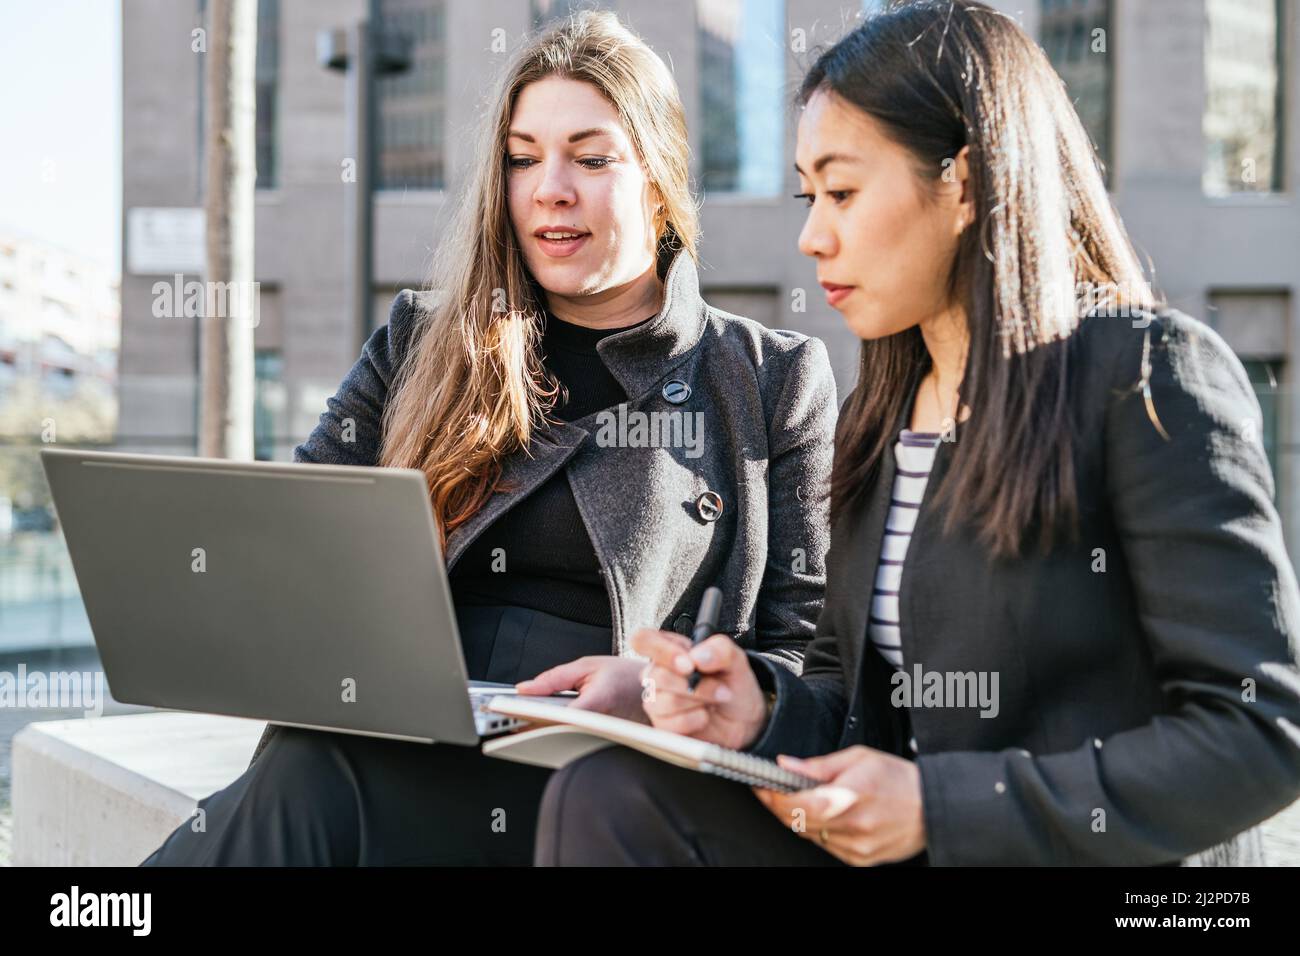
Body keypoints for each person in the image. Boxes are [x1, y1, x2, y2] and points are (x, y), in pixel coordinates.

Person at [534, 0, 1300, 867]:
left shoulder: (1148, 377)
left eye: (844, 191)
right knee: (606, 795)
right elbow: (854, 694)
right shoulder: (886, 407)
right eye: (807, 194)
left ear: (964, 183)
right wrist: (756, 707)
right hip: (908, 850)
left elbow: (1261, 733)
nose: (813, 237)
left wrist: (943, 810)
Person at [140, 10, 836, 866]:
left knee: (314, 783)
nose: (550, 188)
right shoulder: (424, 338)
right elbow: (304, 534)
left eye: (590, 157)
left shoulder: (768, 378)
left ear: (659, 179)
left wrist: (660, 693)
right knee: (313, 768)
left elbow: (799, 655)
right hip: (402, 729)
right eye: (522, 157)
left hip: (606, 775)